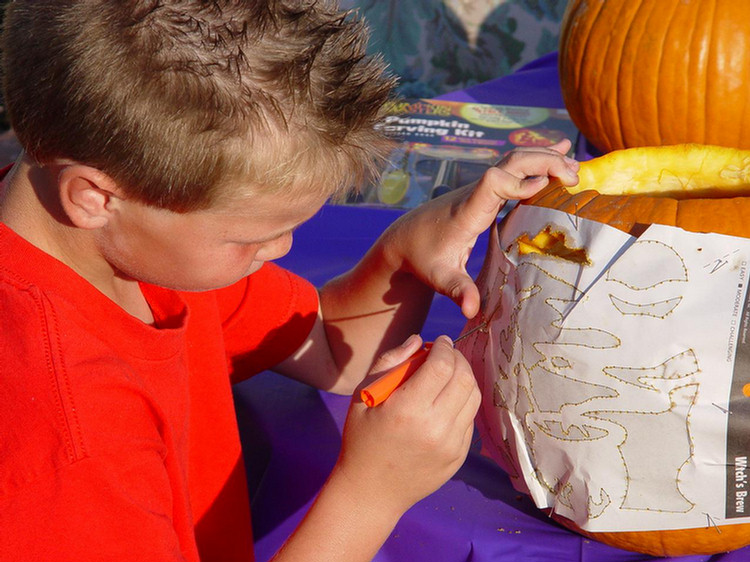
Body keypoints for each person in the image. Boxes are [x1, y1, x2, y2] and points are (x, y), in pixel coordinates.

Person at [0, 1, 580, 561]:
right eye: (248, 239)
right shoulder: (65, 437)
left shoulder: (132, 250)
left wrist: (407, 248)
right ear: (94, 198)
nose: (283, 250)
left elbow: (326, 345)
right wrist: (371, 493)